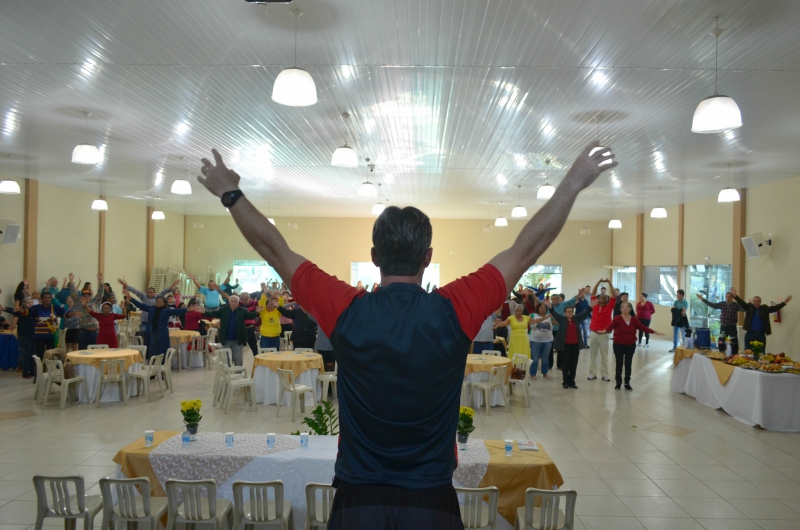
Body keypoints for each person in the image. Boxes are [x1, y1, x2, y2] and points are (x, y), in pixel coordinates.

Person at [197, 141, 616, 528]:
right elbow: (526, 250)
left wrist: (230, 194)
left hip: (358, 497)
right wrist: (574, 181)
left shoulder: (347, 310)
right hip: (431, 500)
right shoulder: (454, 310)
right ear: (428, 259)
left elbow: (276, 250)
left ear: (375, 256)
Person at [603, 301, 663, 390]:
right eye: (623, 307)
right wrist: (603, 331)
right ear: (620, 309)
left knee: (628, 363)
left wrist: (654, 331)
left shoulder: (634, 319)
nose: (625, 308)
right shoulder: (617, 318)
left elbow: (642, 327)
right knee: (619, 363)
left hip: (630, 344)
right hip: (618, 344)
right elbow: (610, 327)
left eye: (627, 306)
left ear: (630, 309)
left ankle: (627, 382)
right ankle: (618, 382)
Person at [204, 295, 259, 366]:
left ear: (238, 302)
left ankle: (238, 374)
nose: (233, 303)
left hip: (238, 339)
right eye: (232, 301)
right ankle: (227, 374)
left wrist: (257, 312)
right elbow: (213, 314)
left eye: (235, 301)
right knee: (225, 358)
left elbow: (251, 315)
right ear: (229, 302)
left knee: (238, 358)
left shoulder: (242, 310)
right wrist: (204, 312)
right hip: (225, 338)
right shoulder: (223, 310)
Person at [550, 305, 593, 389]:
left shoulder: (576, 318)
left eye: (571, 311)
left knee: (573, 365)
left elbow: (584, 313)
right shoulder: (562, 319)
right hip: (565, 346)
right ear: (565, 313)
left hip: (575, 346)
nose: (570, 313)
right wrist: (550, 307)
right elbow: (554, 313)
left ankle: (572, 382)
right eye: (568, 312)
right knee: (565, 365)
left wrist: (590, 307)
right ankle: (565, 382)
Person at [588, 278, 615, 382]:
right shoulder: (595, 305)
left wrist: (609, 283)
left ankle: (605, 374)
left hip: (604, 334)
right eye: (600, 297)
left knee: (604, 356)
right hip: (594, 333)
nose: (602, 298)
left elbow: (613, 294)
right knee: (592, 355)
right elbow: (593, 292)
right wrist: (598, 282)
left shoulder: (609, 307)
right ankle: (592, 373)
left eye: (604, 297)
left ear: (607, 300)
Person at [7, 297, 36, 378]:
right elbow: (15, 316)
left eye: (31, 302)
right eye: (28, 302)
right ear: (24, 304)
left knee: (33, 354)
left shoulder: (33, 311)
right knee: (25, 354)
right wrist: (13, 325)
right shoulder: (21, 311)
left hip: (33, 334)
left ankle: (32, 371)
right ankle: (25, 372)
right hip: (24, 334)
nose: (30, 304)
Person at [30, 292, 64, 358]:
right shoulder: (35, 308)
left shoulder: (55, 307)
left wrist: (73, 313)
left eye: (49, 298)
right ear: (41, 299)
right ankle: (38, 368)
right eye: (45, 298)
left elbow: (65, 314)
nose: (47, 299)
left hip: (51, 335)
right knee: (39, 354)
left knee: (51, 354)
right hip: (39, 335)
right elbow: (27, 313)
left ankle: (49, 368)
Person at [528, 303, 553, 378]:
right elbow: (530, 322)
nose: (543, 309)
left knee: (545, 358)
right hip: (535, 340)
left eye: (544, 307)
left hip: (548, 340)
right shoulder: (532, 315)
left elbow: (555, 323)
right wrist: (544, 318)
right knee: (535, 358)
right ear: (538, 308)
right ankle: (533, 374)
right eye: (541, 307)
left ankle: (545, 372)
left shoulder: (550, 316)